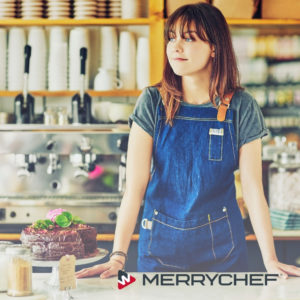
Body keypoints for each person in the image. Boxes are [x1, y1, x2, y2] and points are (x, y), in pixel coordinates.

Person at [76, 2, 300, 278]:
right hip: (159, 250)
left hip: (224, 253)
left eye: (189, 38)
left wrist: (270, 260)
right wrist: (118, 257)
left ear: (215, 47)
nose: (175, 46)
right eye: (172, 37)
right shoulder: (152, 102)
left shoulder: (242, 106)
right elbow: (134, 188)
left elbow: (253, 190)